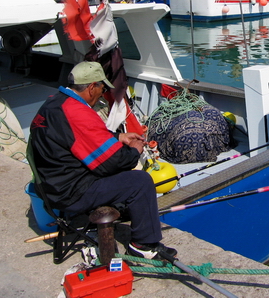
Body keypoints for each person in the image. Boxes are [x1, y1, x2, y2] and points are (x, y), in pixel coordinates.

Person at [29, 61, 176, 259]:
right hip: (70, 193)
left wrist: (118, 137)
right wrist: (134, 151)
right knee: (140, 181)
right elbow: (114, 162)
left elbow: (76, 136)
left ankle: (124, 214)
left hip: (49, 185)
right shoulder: (78, 113)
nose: (102, 92)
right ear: (91, 87)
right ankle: (143, 244)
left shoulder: (55, 102)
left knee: (121, 173)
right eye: (102, 87)